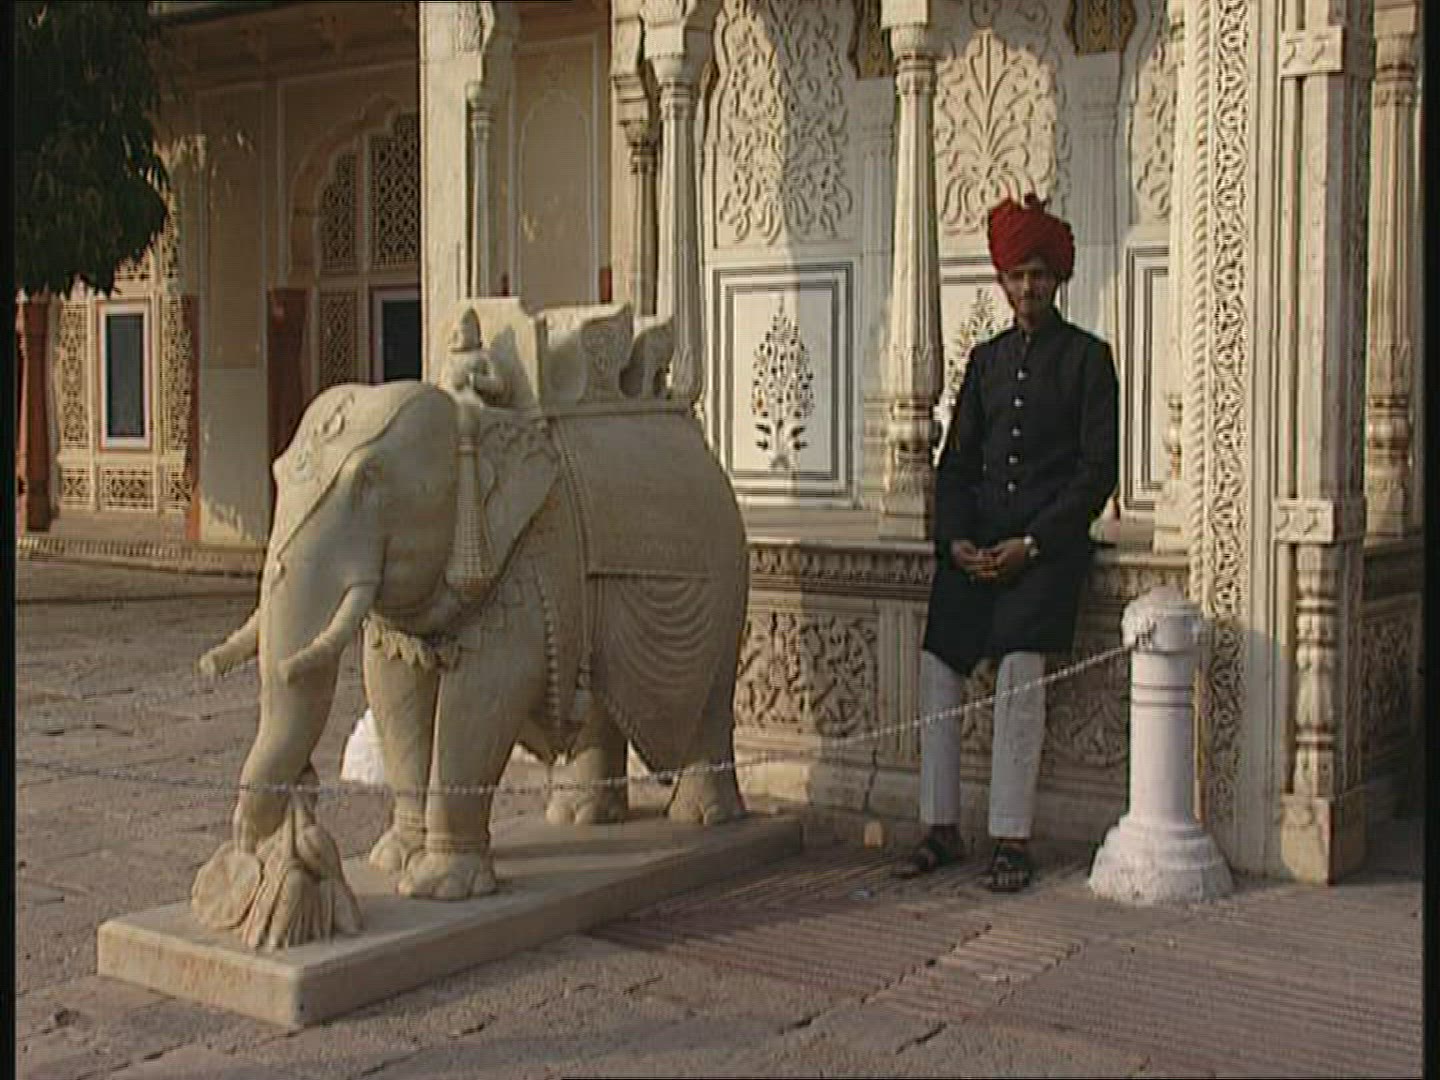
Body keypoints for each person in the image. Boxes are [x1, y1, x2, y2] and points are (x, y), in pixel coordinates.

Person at [895, 193, 1119, 891]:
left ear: (1058, 279)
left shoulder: (1088, 360)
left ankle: (1011, 838)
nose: (1028, 288)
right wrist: (956, 541)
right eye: (1017, 276)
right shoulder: (986, 363)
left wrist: (1034, 543)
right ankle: (940, 827)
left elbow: (1096, 474)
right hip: (981, 550)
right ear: (1002, 282)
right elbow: (957, 465)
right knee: (939, 662)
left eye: (1039, 275)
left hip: (1046, 553)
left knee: (1021, 670)